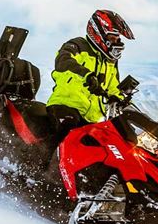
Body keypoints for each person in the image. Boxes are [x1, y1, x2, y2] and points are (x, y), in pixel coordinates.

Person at [46, 10, 135, 144]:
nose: (116, 41)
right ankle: (40, 164)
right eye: (112, 37)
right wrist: (87, 76)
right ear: (98, 33)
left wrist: (122, 99)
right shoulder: (78, 45)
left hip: (91, 118)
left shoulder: (109, 62)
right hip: (66, 107)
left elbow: (113, 87)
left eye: (118, 38)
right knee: (66, 138)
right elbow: (63, 62)